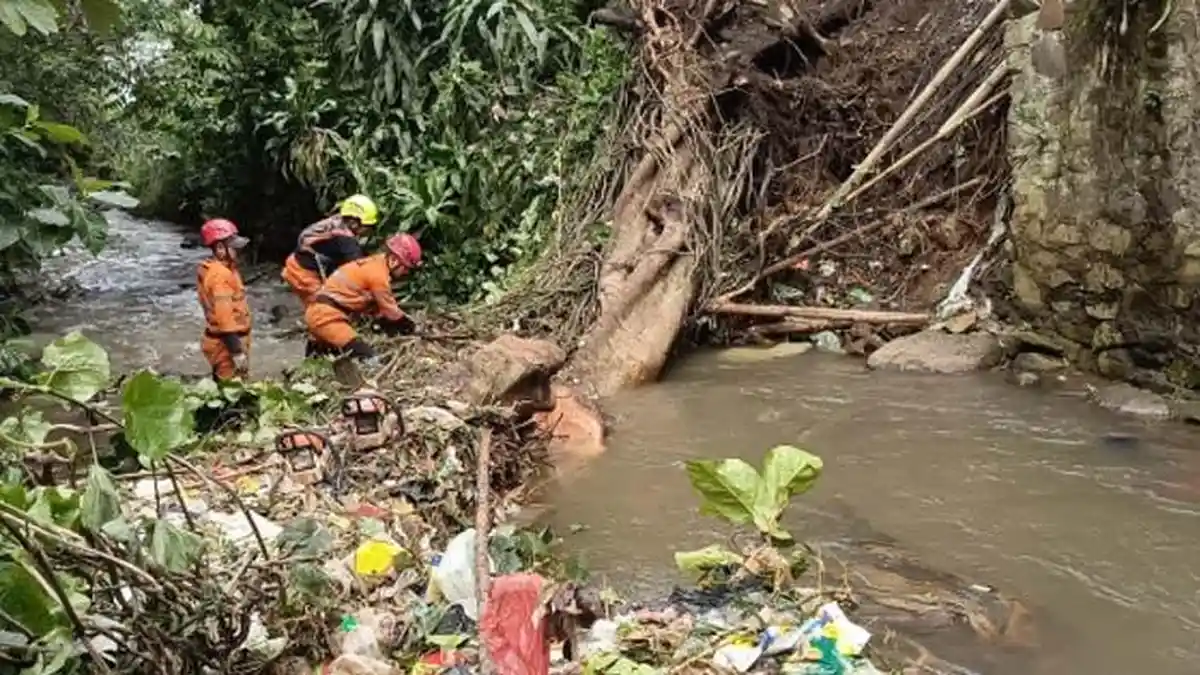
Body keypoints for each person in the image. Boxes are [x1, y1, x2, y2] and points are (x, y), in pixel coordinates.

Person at [304, 233, 422, 365]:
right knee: (366, 355)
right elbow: (391, 311)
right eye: (405, 268)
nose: (405, 273)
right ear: (395, 260)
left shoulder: (374, 264)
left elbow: (375, 308)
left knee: (317, 362)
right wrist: (410, 327)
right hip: (327, 317)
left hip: (320, 313)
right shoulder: (379, 276)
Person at [281, 194, 379, 306]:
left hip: (296, 263)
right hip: (303, 274)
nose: (369, 230)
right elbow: (359, 268)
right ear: (354, 223)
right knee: (324, 309)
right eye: (368, 226)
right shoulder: (345, 239)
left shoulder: (336, 223)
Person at [197, 218, 251, 380]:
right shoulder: (220, 276)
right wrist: (237, 352)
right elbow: (224, 319)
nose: (239, 252)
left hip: (223, 342)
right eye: (234, 247)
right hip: (226, 345)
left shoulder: (220, 269)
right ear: (220, 248)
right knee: (232, 391)